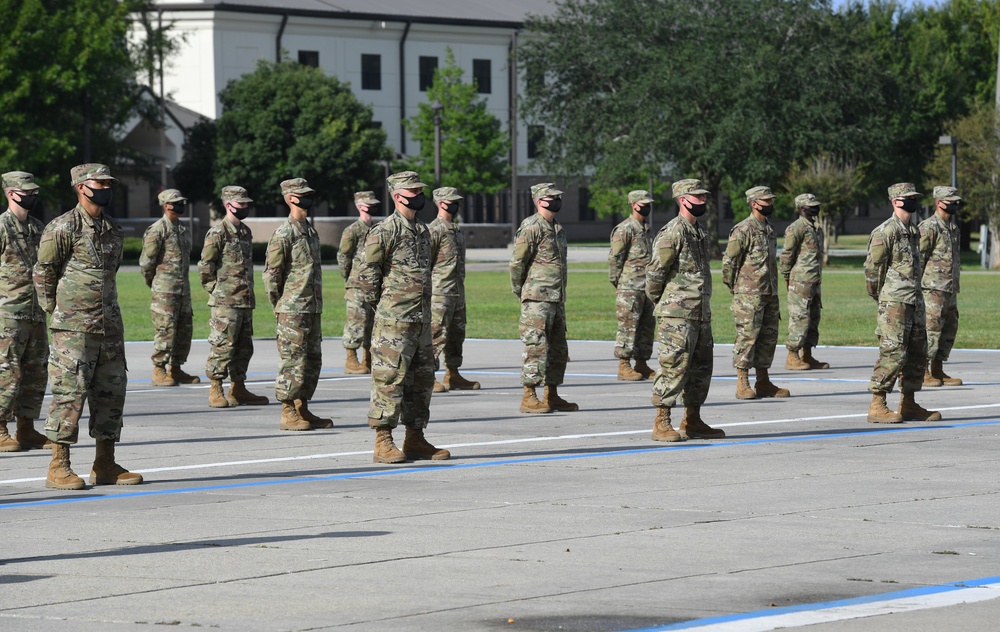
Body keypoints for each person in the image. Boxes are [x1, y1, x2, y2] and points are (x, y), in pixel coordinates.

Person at [33, 163, 141, 489]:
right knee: (70, 394)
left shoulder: (114, 230)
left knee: (111, 393)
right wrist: (58, 315)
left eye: (109, 183)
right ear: (81, 186)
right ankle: (58, 465)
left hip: (109, 326)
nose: (106, 187)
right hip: (73, 328)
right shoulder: (62, 227)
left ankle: (104, 463)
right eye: (100, 182)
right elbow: (44, 274)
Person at [358, 171, 450, 463]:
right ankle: (383, 440)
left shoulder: (423, 231)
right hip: (394, 322)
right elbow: (366, 277)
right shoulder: (384, 231)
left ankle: (415, 437)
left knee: (421, 380)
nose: (419, 196)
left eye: (420, 190)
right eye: (413, 192)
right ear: (398, 196)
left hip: (421, 320)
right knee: (390, 379)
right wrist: (385, 311)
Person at [646, 179, 725, 441]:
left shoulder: (699, 232)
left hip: (700, 312)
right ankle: (662, 421)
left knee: (701, 368)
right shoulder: (672, 232)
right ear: (682, 199)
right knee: (674, 366)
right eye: (697, 197)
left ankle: (692, 420)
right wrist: (667, 306)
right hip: (677, 315)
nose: (703, 201)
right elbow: (655, 275)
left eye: (704, 197)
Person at [864, 182, 941, 423]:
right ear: (896, 201)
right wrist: (883, 298)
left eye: (914, 197)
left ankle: (908, 403)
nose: (913, 202)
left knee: (918, 352)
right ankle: (877, 404)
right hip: (894, 303)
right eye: (909, 198)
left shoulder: (913, 231)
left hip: (915, 301)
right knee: (893, 352)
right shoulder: (885, 231)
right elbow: (872, 271)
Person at [264, 178, 332, 431]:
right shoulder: (284, 233)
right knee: (292, 360)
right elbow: (272, 275)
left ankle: (302, 406)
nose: (308, 198)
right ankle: (288, 410)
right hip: (293, 309)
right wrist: (281, 305)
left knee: (312, 360)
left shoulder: (310, 231)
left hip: (312, 307)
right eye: (303, 194)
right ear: (291, 198)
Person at [509, 183, 578, 414]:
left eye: (558, 197)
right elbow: (517, 263)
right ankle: (529, 395)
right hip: (537, 298)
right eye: (552, 197)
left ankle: (552, 394)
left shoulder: (557, 228)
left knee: (558, 349)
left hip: (556, 298)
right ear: (539, 201)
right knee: (536, 347)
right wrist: (523, 292)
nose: (557, 200)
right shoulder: (531, 226)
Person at [199, 185, 269, 409]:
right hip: (225, 302)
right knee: (223, 345)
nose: (245, 207)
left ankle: (238, 387)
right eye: (241, 204)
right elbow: (205, 265)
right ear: (228, 205)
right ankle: (216, 388)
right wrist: (217, 291)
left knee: (244, 346)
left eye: (247, 204)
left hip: (245, 300)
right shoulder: (218, 232)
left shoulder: (246, 232)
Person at [721, 186, 790, 400]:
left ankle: (763, 381)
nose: (770, 204)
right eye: (766, 201)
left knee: (768, 338)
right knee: (747, 338)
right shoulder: (743, 229)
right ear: (753, 203)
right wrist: (738, 290)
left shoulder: (769, 229)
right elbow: (729, 264)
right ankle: (742, 381)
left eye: (771, 201)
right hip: (748, 297)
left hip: (769, 293)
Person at [0, 171, 51, 452]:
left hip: (35, 312)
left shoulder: (38, 228)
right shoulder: (1, 227)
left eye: (34, 192)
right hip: (8, 314)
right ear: (11, 193)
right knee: (7, 371)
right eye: (26, 192)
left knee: (35, 372)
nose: (32, 196)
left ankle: (26, 428)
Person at [139, 188, 201, 387]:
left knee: (184, 329)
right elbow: (146, 262)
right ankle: (159, 369)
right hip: (165, 290)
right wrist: (155, 283)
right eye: (176, 202)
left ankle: (176, 368)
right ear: (166, 205)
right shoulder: (157, 230)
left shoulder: (183, 229)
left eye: (182, 201)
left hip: (183, 289)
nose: (180, 205)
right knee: (165, 329)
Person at [428, 186, 480, 393]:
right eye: (451, 201)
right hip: (439, 292)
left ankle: (453, 374)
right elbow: (426, 262)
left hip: (457, 291)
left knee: (457, 334)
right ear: (441, 203)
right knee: (436, 334)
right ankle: (427, 376)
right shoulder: (434, 230)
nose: (455, 204)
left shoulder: (456, 230)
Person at [608, 190, 655, 381]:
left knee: (647, 326)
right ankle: (624, 364)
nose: (647, 206)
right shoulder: (625, 229)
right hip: (629, 287)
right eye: (644, 203)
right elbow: (615, 258)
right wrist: (619, 282)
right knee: (628, 326)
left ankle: (642, 363)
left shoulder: (647, 229)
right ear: (634, 204)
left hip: (647, 287)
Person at [779, 193, 829, 371]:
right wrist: (787, 277)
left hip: (814, 281)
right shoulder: (796, 228)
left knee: (813, 318)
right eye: (810, 206)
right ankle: (792, 355)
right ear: (801, 208)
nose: (814, 208)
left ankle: (807, 355)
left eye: (816, 205)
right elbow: (787, 255)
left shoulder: (816, 228)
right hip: (800, 282)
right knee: (799, 318)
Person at [919, 186, 963, 387]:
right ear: (939, 202)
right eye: (950, 201)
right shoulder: (928, 227)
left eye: (956, 201)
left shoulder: (953, 229)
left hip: (950, 288)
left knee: (948, 328)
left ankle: (937, 368)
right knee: (931, 329)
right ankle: (923, 370)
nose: (954, 204)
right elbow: (919, 258)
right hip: (933, 289)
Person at [339, 191, 379, 375]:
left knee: (372, 323)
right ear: (359, 206)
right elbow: (344, 256)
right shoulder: (352, 230)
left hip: (374, 284)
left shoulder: (378, 228)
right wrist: (349, 277)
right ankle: (351, 359)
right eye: (367, 204)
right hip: (357, 284)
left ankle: (368, 358)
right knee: (356, 321)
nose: (370, 206)